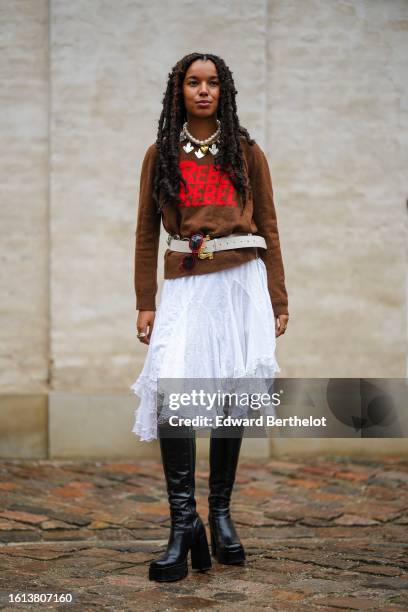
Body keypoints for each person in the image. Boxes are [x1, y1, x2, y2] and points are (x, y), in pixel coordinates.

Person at [130, 52, 289, 582]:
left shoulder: (246, 153)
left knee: (229, 395)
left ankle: (219, 514)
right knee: (175, 394)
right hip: (185, 285)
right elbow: (146, 233)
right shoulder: (162, 154)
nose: (203, 90)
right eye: (193, 83)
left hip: (242, 284)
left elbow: (268, 225)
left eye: (212, 82)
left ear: (225, 90)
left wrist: (279, 300)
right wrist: (145, 300)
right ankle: (184, 524)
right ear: (179, 92)